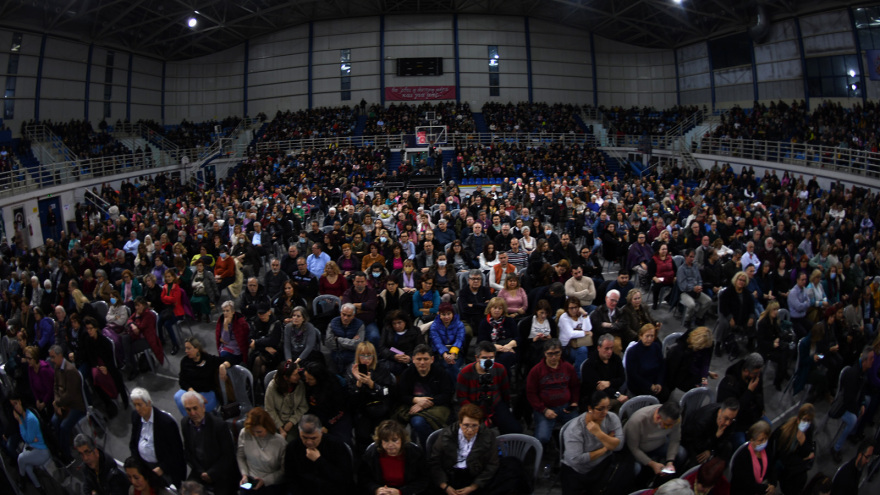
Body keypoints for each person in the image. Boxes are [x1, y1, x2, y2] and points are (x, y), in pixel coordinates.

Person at [560, 390, 628, 495]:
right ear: (590, 408)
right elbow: (577, 460)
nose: (605, 412)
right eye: (600, 409)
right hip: (578, 471)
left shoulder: (612, 418)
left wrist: (599, 433)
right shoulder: (575, 429)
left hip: (602, 465)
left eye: (608, 407)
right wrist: (606, 448)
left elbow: (619, 446)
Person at [428, 403, 500, 495]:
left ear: (480, 424)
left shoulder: (489, 435)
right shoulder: (446, 434)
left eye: (474, 425)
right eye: (466, 425)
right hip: (450, 475)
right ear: (460, 423)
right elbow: (435, 461)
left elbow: (492, 464)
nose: (470, 430)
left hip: (475, 475)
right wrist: (445, 486)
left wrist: (473, 487)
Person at [393, 343, 454, 446]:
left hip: (436, 406)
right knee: (416, 421)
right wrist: (415, 400)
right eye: (419, 359)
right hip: (412, 406)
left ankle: (431, 448)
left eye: (426, 359)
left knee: (419, 421)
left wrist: (426, 403)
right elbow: (401, 395)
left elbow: (447, 395)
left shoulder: (441, 373)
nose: (422, 362)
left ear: (432, 359)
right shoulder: (407, 374)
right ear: (413, 359)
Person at [455, 341, 521, 434]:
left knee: (514, 430)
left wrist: (506, 409)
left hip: (495, 404)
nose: (488, 361)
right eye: (484, 358)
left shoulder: (500, 369)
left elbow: (505, 392)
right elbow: (462, 398)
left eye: (491, 357)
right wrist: (475, 413)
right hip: (473, 406)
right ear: (477, 358)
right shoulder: (465, 373)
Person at [526, 339, 580, 453]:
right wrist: (544, 410)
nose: (554, 357)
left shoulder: (568, 367)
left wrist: (574, 402)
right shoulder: (536, 371)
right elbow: (531, 394)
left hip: (566, 407)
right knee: (542, 437)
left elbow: (575, 386)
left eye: (557, 353)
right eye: (550, 354)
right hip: (545, 409)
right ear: (545, 353)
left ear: (561, 352)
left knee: (579, 430)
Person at [180, 390, 237, 495]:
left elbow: (228, 455)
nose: (192, 413)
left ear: (203, 407)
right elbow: (188, 452)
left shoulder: (219, 425)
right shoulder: (185, 423)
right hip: (199, 470)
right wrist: (201, 472)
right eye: (188, 409)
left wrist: (211, 473)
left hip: (220, 471)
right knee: (186, 491)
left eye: (195, 408)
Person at [128, 388, 186, 489]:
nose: (137, 409)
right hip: (144, 465)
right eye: (135, 405)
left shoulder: (166, 422)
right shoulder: (136, 416)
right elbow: (133, 442)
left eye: (139, 405)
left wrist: (163, 468)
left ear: (148, 403)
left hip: (163, 468)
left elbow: (176, 451)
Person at [283, 414, 354, 495]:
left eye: (313, 438)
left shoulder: (337, 446)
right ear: (299, 433)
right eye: (304, 437)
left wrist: (319, 460)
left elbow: (344, 479)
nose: (309, 442)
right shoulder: (293, 447)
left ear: (321, 432)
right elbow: (290, 477)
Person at [358, 419, 430, 495]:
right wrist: (376, 489)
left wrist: (401, 492)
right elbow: (363, 479)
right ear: (380, 441)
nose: (390, 445)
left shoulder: (414, 453)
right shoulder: (371, 454)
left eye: (395, 440)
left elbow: (423, 480)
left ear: (402, 440)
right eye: (386, 440)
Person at [828, 345, 874, 463]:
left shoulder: (863, 372)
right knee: (853, 419)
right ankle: (836, 448)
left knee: (868, 400)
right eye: (871, 359)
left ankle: (852, 432)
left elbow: (862, 391)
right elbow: (848, 399)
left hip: (852, 403)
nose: (873, 361)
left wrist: (862, 403)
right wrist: (857, 411)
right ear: (864, 361)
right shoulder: (853, 374)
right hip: (841, 406)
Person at [347, 341, 395, 451]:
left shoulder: (382, 368)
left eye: (369, 355)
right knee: (362, 434)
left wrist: (372, 385)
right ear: (357, 356)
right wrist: (358, 385)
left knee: (382, 434)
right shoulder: (351, 371)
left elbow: (388, 392)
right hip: (362, 410)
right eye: (363, 355)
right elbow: (351, 400)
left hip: (381, 408)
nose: (366, 359)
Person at [624, 401, 685, 485]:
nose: (671, 427)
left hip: (659, 442)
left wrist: (670, 462)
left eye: (672, 424)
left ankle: (660, 483)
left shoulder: (675, 419)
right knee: (636, 469)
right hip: (638, 449)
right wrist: (652, 464)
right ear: (658, 418)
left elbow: (675, 440)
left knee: (681, 453)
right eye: (667, 425)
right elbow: (634, 448)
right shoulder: (638, 420)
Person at [717, 353, 767, 447]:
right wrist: (749, 392)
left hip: (753, 415)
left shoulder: (756, 377)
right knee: (742, 444)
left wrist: (762, 408)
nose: (758, 376)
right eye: (755, 373)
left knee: (768, 427)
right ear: (746, 371)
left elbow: (760, 394)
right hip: (737, 422)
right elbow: (734, 411)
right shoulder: (729, 384)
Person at [49, 344, 86, 463]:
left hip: (76, 405)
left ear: (60, 355)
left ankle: (67, 456)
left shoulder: (70, 371)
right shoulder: (57, 367)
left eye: (53, 357)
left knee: (64, 426)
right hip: (63, 403)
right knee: (54, 421)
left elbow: (71, 395)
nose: (51, 360)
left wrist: (57, 403)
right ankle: (63, 447)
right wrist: (57, 403)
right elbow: (55, 387)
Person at [236, 407, 287, 495]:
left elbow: (284, 471)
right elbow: (241, 457)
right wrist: (244, 475)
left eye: (259, 432)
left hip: (271, 483)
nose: (255, 435)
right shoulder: (244, 433)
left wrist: (265, 481)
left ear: (267, 427)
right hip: (251, 479)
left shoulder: (280, 442)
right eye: (253, 431)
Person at [174, 337, 229, 415]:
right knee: (177, 397)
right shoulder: (185, 361)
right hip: (192, 391)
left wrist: (223, 366)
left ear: (197, 349)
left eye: (189, 348)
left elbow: (229, 359)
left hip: (207, 392)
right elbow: (182, 381)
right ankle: (189, 418)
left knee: (196, 406)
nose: (186, 351)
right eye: (185, 348)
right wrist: (194, 393)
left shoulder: (208, 359)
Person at [7, 393, 51, 490]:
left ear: (20, 401)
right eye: (13, 406)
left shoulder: (29, 418)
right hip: (33, 446)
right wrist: (30, 438)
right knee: (27, 467)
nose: (15, 408)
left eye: (16, 403)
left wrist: (19, 422)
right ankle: (39, 487)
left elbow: (27, 438)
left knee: (20, 458)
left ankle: (22, 479)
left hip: (42, 450)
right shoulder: (23, 417)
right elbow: (28, 438)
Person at [769, 403, 815, 495]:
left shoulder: (808, 430)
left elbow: (808, 450)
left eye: (809, 421)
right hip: (780, 462)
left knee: (801, 476)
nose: (806, 423)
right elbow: (783, 456)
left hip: (793, 463)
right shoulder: (785, 431)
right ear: (798, 419)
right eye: (804, 420)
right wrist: (803, 459)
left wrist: (803, 443)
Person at [680, 398, 739, 466]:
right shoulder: (703, 420)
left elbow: (726, 438)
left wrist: (711, 451)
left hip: (710, 442)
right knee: (698, 459)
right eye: (726, 418)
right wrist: (715, 436)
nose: (728, 423)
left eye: (731, 419)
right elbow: (698, 445)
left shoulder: (732, 420)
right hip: (691, 441)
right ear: (720, 412)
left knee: (728, 447)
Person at [265, 360, 308, 443]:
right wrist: (280, 428)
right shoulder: (272, 386)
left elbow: (303, 407)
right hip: (275, 421)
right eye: (295, 375)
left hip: (293, 422)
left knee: (290, 443)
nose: (298, 376)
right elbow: (269, 409)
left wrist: (291, 422)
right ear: (285, 377)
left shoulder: (300, 385)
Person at [665, 326, 718, 393]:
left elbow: (705, 363)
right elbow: (676, 372)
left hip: (693, 370)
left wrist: (704, 379)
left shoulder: (707, 346)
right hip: (680, 371)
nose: (701, 349)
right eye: (699, 347)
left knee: (700, 389)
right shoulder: (680, 349)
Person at [625, 323, 670, 402]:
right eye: (647, 336)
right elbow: (633, 375)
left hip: (654, 381)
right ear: (641, 336)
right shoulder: (632, 352)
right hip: (639, 384)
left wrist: (659, 383)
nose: (649, 339)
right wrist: (649, 386)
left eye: (652, 336)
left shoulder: (656, 347)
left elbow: (662, 366)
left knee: (665, 393)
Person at [730, 421, 777, 495]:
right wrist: (766, 489)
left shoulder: (767, 450)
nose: (764, 442)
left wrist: (773, 484)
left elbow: (772, 468)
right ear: (752, 440)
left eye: (766, 439)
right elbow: (745, 483)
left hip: (761, 488)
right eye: (761, 440)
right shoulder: (742, 457)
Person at [123, 297, 164, 380]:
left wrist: (136, 319)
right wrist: (133, 325)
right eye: (136, 306)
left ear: (144, 305)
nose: (136, 308)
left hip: (148, 338)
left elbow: (140, 327)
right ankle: (129, 364)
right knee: (125, 338)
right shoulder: (138, 312)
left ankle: (132, 368)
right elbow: (129, 320)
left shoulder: (148, 315)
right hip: (138, 335)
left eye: (139, 305)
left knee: (129, 348)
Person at [477, 297, 519, 371]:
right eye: (495, 308)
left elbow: (518, 337)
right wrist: (494, 347)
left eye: (500, 308)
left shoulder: (509, 320)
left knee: (505, 359)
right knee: (494, 359)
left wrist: (509, 346)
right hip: (490, 349)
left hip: (509, 348)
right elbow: (481, 341)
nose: (497, 310)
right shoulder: (484, 322)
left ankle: (503, 377)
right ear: (490, 309)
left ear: (503, 310)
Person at [429, 302, 467, 383]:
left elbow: (459, 339)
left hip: (457, 353)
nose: (446, 317)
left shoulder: (459, 324)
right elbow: (437, 342)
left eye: (449, 314)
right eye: (443, 314)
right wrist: (445, 355)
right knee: (448, 366)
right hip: (440, 354)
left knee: (450, 366)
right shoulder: (434, 326)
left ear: (453, 314)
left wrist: (453, 354)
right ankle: (459, 387)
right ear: (439, 314)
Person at [377, 310, 423, 375]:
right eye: (394, 323)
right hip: (391, 359)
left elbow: (420, 348)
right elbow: (382, 347)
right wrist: (393, 356)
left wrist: (410, 358)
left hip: (409, 360)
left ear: (405, 322)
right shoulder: (387, 330)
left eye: (399, 322)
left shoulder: (416, 331)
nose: (397, 326)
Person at [325, 302, 365, 372]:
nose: (345, 318)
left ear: (353, 316)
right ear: (340, 313)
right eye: (343, 314)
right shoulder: (333, 322)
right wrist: (350, 342)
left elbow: (358, 345)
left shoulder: (360, 325)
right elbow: (328, 343)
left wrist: (338, 339)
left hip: (353, 356)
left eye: (349, 316)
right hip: (335, 354)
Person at [558, 296, 593, 377]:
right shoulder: (564, 317)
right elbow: (570, 334)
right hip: (567, 347)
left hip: (580, 343)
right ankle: (578, 375)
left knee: (586, 350)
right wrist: (585, 333)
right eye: (571, 308)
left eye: (576, 307)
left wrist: (584, 314)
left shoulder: (580, 315)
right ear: (567, 308)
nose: (574, 310)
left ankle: (582, 374)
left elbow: (588, 328)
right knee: (583, 350)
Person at [678, 249, 713, 327]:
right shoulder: (681, 269)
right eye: (690, 257)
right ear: (686, 256)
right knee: (691, 305)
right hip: (685, 292)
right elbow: (682, 286)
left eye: (693, 257)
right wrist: (693, 288)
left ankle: (698, 316)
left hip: (696, 291)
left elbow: (699, 279)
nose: (692, 259)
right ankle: (687, 320)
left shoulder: (695, 267)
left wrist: (699, 286)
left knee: (708, 301)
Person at [619, 289, 661, 355]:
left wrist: (656, 323)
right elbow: (627, 329)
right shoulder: (625, 310)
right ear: (630, 300)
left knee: (658, 344)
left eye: (639, 298)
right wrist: (639, 336)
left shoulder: (644, 306)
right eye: (635, 299)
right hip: (635, 336)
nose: (637, 300)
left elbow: (650, 318)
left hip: (646, 332)